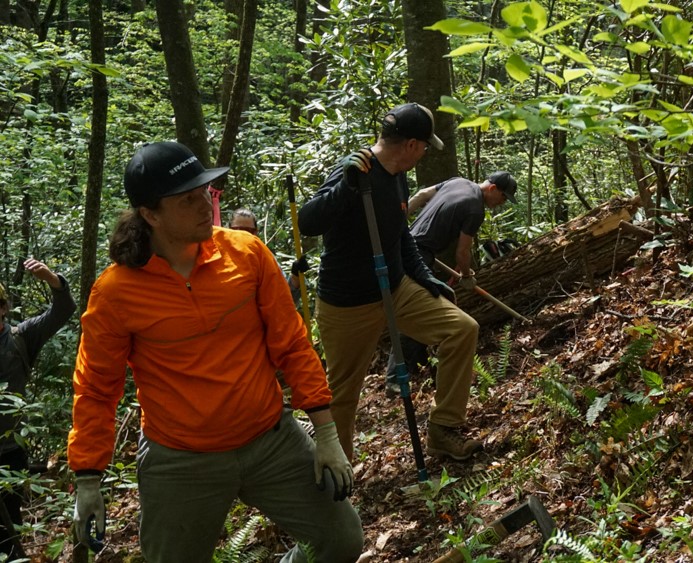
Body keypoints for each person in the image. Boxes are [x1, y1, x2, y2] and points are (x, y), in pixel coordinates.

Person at [68, 141, 362, 562]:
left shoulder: (246, 254)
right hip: (180, 459)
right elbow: (96, 389)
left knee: (342, 541)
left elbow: (292, 343)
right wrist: (88, 479)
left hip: (270, 440)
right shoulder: (115, 293)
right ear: (151, 215)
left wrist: (327, 433)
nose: (205, 205)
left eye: (205, 191)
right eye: (188, 200)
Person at [298, 102, 483, 462]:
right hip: (347, 302)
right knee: (343, 395)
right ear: (412, 145)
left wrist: (426, 277)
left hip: (396, 289)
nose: (425, 152)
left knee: (462, 329)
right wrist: (346, 188)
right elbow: (308, 221)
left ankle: (444, 428)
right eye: (425, 145)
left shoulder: (398, 175)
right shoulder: (355, 171)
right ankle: (340, 475)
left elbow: (401, 236)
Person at [385, 171, 518, 395]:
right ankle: (397, 378)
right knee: (425, 311)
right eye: (504, 197)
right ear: (493, 189)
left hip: (406, 246)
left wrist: (400, 223)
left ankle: (420, 367)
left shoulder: (458, 181)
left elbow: (422, 194)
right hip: (417, 255)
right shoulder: (476, 209)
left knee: (428, 306)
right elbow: (462, 252)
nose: (502, 204)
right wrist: (467, 276)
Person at [0, 259, 75, 557]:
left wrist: (52, 278)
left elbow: (63, 311)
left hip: (10, 453)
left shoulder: (21, 337)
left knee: (9, 530)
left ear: (3, 308)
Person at [227, 208, 311, 305]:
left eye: (248, 231)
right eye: (237, 230)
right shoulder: (217, 254)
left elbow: (284, 298)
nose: (242, 235)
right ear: (228, 229)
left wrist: (296, 276)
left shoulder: (264, 258)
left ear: (255, 232)